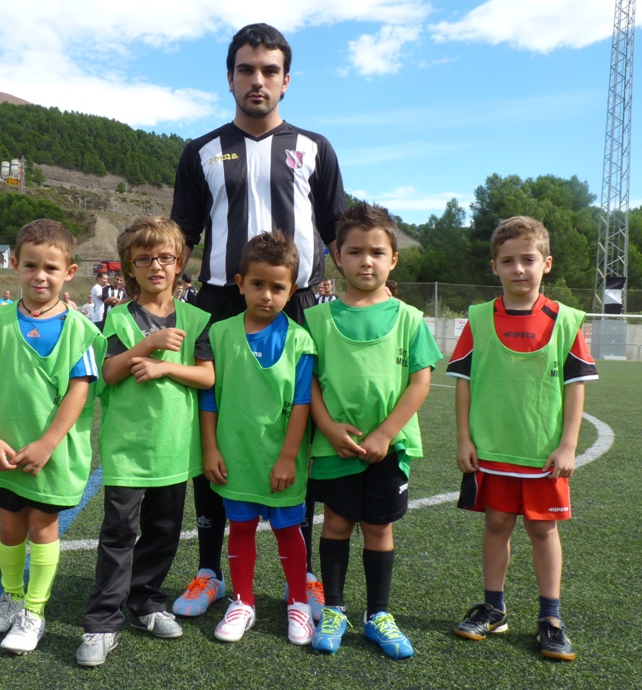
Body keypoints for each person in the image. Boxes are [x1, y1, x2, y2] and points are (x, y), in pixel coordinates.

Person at [171, 22, 346, 619]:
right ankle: (209, 570)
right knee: (215, 429)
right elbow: (182, 236)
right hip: (221, 302)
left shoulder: (315, 148)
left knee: (302, 427)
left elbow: (336, 230)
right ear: (229, 77)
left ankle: (308, 575)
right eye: (247, 69)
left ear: (286, 80)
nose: (257, 80)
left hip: (295, 304)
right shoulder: (200, 151)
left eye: (269, 70)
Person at [448, 216, 597, 661]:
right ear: (494, 266)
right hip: (492, 449)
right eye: (507, 261)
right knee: (496, 524)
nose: (518, 269)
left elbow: (576, 388)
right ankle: (494, 607)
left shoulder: (566, 321)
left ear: (546, 264)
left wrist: (568, 444)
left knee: (541, 528)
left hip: (542, 454)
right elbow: (463, 382)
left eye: (527, 259)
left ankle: (550, 617)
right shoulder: (479, 318)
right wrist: (463, 439)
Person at [304, 202, 441, 659]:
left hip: (388, 447)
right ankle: (336, 609)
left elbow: (420, 380)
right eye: (356, 251)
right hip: (334, 447)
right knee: (338, 523)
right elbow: (310, 382)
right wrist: (325, 425)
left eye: (377, 252)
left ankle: (378, 613)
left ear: (393, 260)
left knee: (379, 527)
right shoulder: (317, 319)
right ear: (336, 257)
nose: (367, 260)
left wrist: (384, 433)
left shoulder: (409, 318)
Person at [77, 217, 214, 667]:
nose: (156, 265)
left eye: (166, 258)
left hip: (176, 449)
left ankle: (147, 601)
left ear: (180, 263)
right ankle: (102, 621)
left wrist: (166, 367)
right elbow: (110, 374)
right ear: (129, 267)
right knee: (118, 534)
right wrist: (148, 346)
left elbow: (208, 375)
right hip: (128, 449)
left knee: (163, 532)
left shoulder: (198, 319)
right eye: (144, 259)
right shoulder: (117, 318)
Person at [0, 219, 105, 655]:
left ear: (70, 271)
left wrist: (48, 443)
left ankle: (35, 610)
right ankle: (11, 597)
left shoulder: (83, 330)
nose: (40, 275)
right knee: (9, 525)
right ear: (15, 265)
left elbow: (79, 393)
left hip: (52, 455)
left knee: (43, 526)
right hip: (5, 451)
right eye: (30, 265)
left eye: (51, 267)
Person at [201, 232, 317, 645]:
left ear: (293, 289)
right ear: (239, 283)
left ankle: (299, 603)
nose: (266, 295)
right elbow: (209, 398)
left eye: (278, 287)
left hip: (281, 461)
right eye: (257, 285)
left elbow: (302, 404)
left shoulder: (301, 341)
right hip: (235, 457)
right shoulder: (220, 334)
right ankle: (243, 602)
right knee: (242, 527)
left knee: (289, 530)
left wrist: (289, 457)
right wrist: (210, 448)